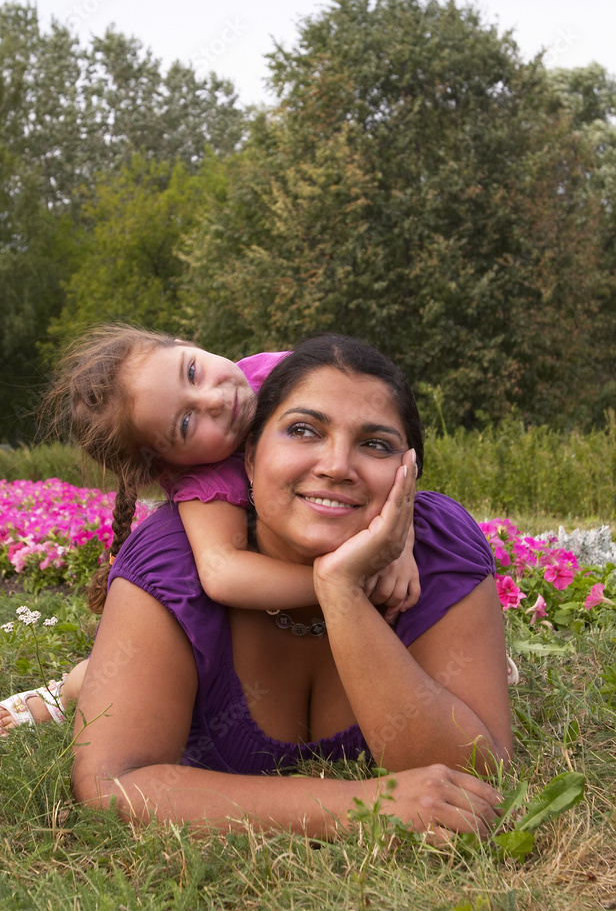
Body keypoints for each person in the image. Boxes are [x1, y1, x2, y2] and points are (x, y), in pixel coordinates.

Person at [70, 334, 511, 839]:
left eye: (375, 444)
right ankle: (77, 682)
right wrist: (361, 807)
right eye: (303, 430)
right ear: (249, 457)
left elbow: (478, 778)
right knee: (99, 684)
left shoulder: (438, 547)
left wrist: (342, 591)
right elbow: (111, 783)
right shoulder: (173, 564)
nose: (336, 466)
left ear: (408, 470)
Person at [0, 326, 419, 735]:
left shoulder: (281, 374)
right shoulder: (203, 479)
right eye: (187, 424)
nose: (214, 399)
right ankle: (68, 692)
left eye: (192, 371)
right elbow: (222, 573)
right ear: (167, 463)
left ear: (186, 342)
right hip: (233, 613)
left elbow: (384, 446)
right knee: (137, 663)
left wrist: (400, 544)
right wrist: (345, 579)